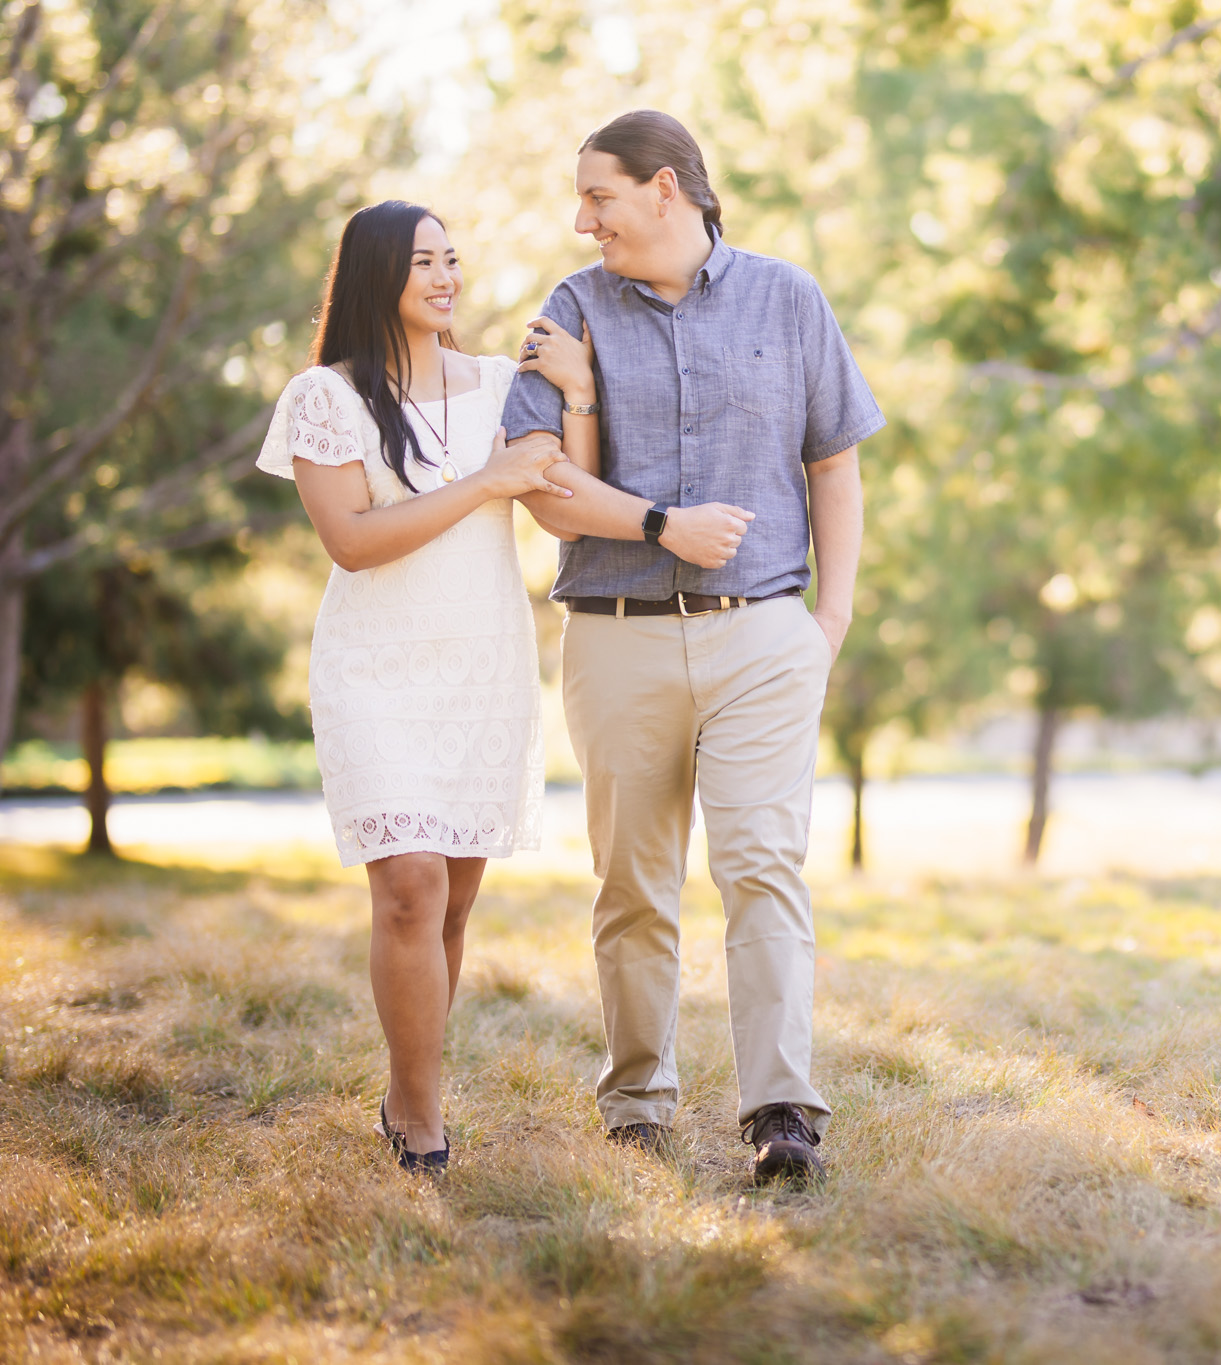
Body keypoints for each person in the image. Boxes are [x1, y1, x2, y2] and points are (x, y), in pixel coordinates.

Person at [503, 109, 882, 1185]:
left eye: (599, 197)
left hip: (762, 633)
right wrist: (662, 522)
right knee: (633, 884)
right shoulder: (571, 310)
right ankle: (636, 1103)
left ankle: (781, 1114)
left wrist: (830, 621)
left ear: (666, 188)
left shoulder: (788, 297)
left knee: (762, 867)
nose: (583, 222)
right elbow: (545, 490)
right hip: (614, 637)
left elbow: (834, 467)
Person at [254, 200, 595, 1173]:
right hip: (375, 672)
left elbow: (566, 514)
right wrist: (485, 483)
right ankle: (418, 1110)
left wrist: (574, 396)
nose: (447, 277)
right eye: (422, 263)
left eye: (453, 259)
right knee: (407, 888)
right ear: (375, 279)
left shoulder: (499, 387)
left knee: (448, 908)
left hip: (480, 668)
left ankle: (410, 1087)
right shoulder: (326, 398)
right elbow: (353, 543)